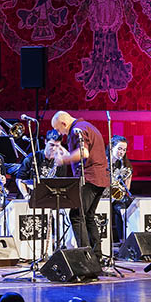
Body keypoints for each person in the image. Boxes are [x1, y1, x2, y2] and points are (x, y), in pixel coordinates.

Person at [51, 111, 110, 259]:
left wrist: (64, 160)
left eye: (59, 129)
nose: (61, 134)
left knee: (77, 216)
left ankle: (86, 256)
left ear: (64, 123)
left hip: (89, 178)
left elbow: (84, 153)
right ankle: (97, 256)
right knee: (88, 216)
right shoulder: (88, 126)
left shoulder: (77, 129)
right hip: (100, 178)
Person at [15, 130, 67, 199]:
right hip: (29, 198)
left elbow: (60, 185)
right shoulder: (32, 158)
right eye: (51, 145)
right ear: (45, 142)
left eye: (57, 146)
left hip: (48, 200)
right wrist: (26, 195)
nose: (54, 148)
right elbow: (19, 179)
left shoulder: (61, 162)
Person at [109, 135, 133, 243]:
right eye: (119, 148)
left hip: (116, 197)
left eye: (124, 150)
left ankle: (124, 241)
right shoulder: (103, 163)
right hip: (102, 196)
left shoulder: (127, 166)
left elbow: (127, 187)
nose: (121, 152)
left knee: (122, 208)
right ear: (111, 147)